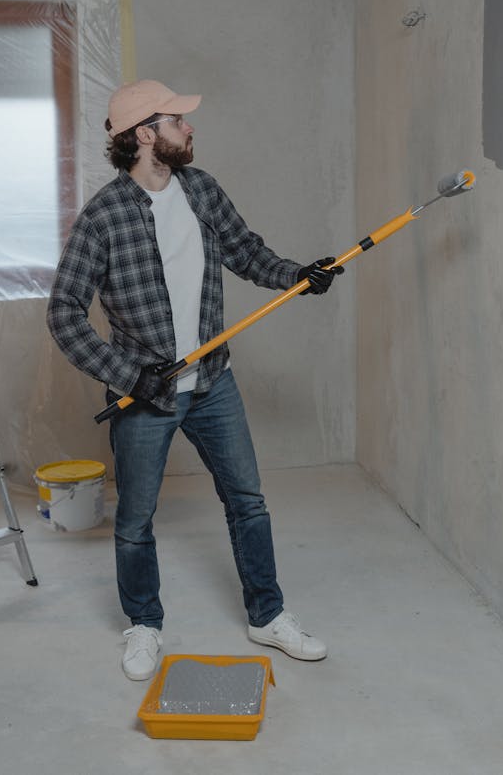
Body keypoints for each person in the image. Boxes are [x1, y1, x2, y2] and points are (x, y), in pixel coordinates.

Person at [47, 79, 342, 681]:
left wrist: (296, 275)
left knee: (248, 502)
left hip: (212, 383)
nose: (190, 127)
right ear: (144, 134)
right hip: (144, 397)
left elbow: (246, 251)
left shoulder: (201, 191)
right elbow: (63, 314)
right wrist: (130, 374)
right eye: (177, 120)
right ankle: (144, 624)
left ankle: (268, 614)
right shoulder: (102, 219)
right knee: (134, 520)